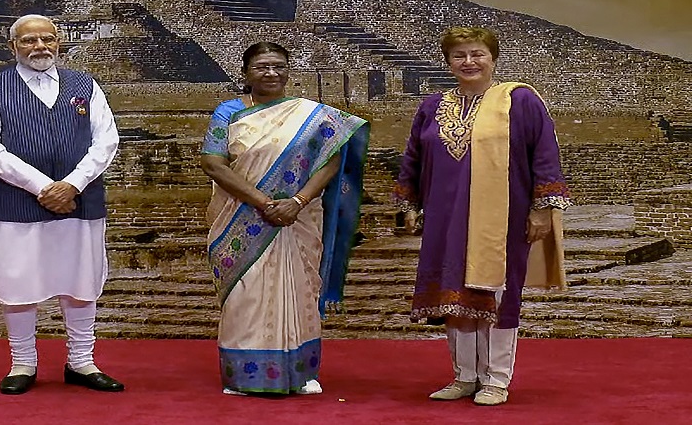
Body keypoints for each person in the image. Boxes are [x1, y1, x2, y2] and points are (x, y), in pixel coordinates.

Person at [393, 26, 570, 407]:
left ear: (493, 58)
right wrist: (409, 204)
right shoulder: (431, 106)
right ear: (448, 62)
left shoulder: (519, 101)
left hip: (504, 217)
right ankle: (464, 376)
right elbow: (413, 158)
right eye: (459, 56)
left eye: (477, 54)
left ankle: (496, 379)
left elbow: (544, 154)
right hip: (445, 218)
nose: (469, 62)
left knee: (498, 294)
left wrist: (543, 208)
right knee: (454, 294)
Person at [200, 41, 369, 396]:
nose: (271, 73)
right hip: (242, 218)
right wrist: (264, 202)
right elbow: (213, 163)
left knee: (300, 291)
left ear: (288, 70)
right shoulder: (227, 112)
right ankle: (245, 377)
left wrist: (297, 200)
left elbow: (333, 159)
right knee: (245, 295)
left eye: (279, 65)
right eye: (262, 66)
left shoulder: (310, 115)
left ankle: (301, 373)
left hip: (298, 219)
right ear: (246, 73)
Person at [0, 13, 124, 396]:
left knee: (80, 280)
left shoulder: (85, 86)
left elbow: (106, 141)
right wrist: (43, 187)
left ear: (59, 42)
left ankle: (81, 361)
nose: (40, 47)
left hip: (79, 201)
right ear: (13, 47)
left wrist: (71, 184)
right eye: (29, 40)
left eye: (47, 39)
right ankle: (23, 363)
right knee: (19, 281)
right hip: (16, 202)